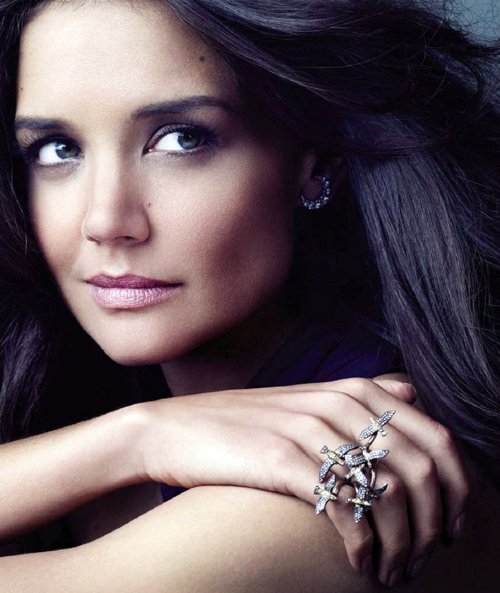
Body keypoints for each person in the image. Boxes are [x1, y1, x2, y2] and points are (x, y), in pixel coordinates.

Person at [0, 0, 498, 591]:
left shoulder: (349, 478)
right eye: (58, 149)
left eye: (181, 139)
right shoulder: (86, 394)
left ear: (315, 162)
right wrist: (136, 438)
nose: (105, 221)